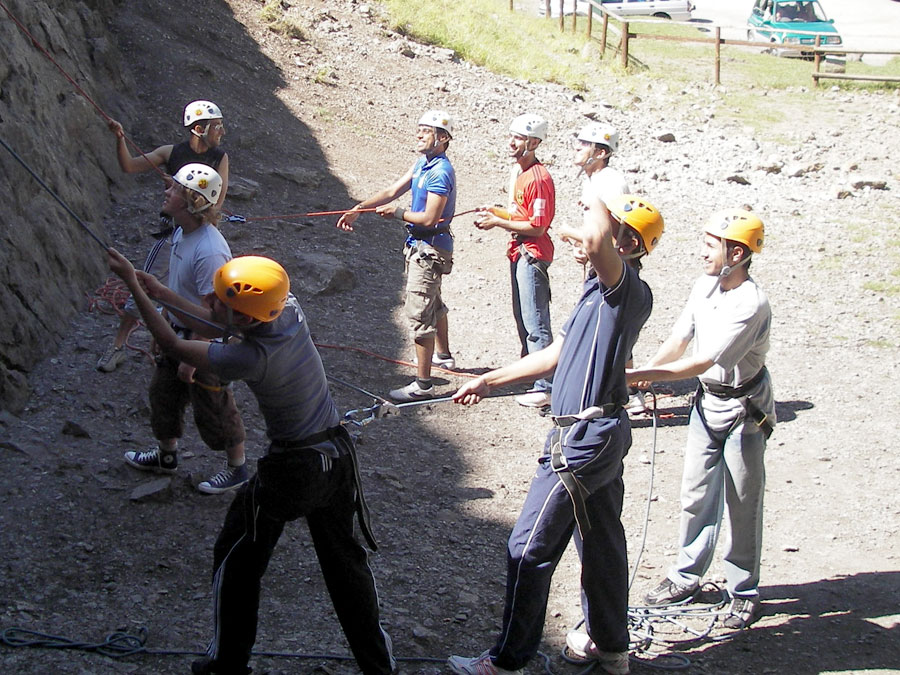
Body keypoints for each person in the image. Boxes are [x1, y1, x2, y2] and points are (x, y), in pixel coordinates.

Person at [105, 251, 396, 675]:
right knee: (345, 566)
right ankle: (378, 666)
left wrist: (133, 284)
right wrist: (165, 294)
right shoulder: (288, 310)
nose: (210, 300)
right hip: (336, 455)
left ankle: (227, 664)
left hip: (293, 468)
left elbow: (173, 343)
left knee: (237, 559)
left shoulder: (248, 359)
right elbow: (223, 323)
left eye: (219, 299)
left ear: (244, 317)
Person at [448, 194, 664, 675]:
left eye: (611, 229)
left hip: (584, 439)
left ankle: (508, 660)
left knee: (527, 548)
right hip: (598, 433)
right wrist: (490, 380)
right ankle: (612, 651)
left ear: (627, 242)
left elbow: (593, 236)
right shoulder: (596, 290)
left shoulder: (624, 288)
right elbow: (554, 355)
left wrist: (597, 194)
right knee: (603, 544)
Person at [628, 208, 773, 631]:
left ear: (738, 252)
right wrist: (645, 372)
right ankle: (687, 574)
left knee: (742, 501)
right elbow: (680, 339)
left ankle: (743, 589)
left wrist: (639, 375)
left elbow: (703, 361)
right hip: (708, 402)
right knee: (695, 493)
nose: (702, 252)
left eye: (712, 245)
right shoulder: (704, 286)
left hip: (744, 409)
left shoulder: (751, 303)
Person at [122, 163, 248, 495]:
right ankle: (167, 455)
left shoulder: (210, 250)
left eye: (175, 189)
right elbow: (178, 286)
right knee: (162, 395)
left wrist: (194, 354)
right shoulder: (182, 230)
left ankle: (238, 467)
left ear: (192, 201)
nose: (167, 191)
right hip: (176, 330)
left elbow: (216, 314)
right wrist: (161, 326)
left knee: (214, 403)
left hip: (202, 341)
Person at [97, 100, 229, 373]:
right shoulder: (171, 153)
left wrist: (188, 195)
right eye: (216, 126)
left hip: (197, 229)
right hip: (173, 231)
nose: (222, 132)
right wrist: (120, 139)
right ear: (198, 128)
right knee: (146, 284)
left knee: (189, 291)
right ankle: (119, 344)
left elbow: (217, 203)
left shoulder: (220, 158)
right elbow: (130, 166)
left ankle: (185, 346)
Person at [336, 110, 456, 403]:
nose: (419, 135)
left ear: (442, 138)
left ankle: (423, 384)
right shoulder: (422, 165)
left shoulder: (440, 172)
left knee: (419, 312)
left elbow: (429, 218)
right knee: (434, 303)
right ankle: (444, 356)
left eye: (426, 131)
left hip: (429, 249)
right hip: (424, 246)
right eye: (419, 129)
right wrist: (359, 208)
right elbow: (392, 190)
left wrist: (398, 213)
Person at [556, 123, 648, 416]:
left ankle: (628, 392)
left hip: (613, 266)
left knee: (613, 327)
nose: (577, 148)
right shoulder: (593, 179)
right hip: (602, 262)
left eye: (584, 144)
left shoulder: (609, 182)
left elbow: (609, 235)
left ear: (602, 152)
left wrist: (571, 233)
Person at [474, 113, 556, 409]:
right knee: (522, 316)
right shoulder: (521, 173)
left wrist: (497, 222)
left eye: (519, 138)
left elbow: (538, 226)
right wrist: (497, 212)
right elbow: (521, 215)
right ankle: (532, 370)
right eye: (512, 136)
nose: (512, 142)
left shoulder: (538, 178)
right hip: (520, 251)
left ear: (534, 142)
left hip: (531, 253)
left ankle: (545, 385)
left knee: (536, 321)